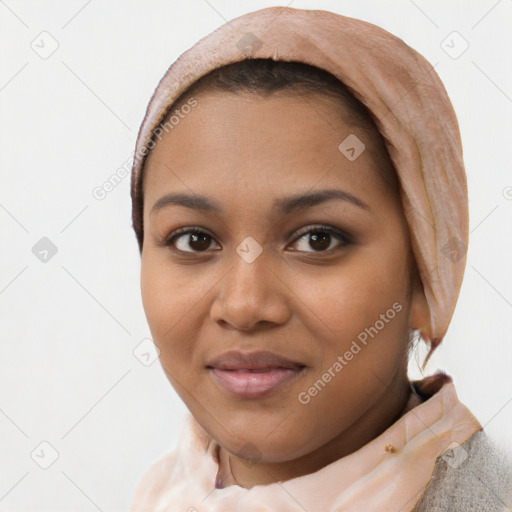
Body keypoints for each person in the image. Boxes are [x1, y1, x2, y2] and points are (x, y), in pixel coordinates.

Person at [128, 6, 511, 511]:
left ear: (427, 276)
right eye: (194, 240)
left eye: (318, 240)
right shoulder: (164, 493)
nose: (244, 305)